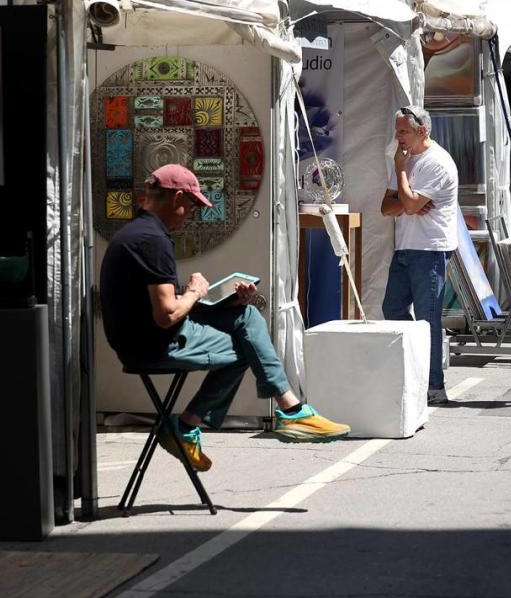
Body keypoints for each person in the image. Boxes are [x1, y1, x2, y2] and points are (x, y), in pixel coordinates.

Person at [99, 164, 350, 472]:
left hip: (141, 339)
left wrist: (222, 301)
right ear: (177, 197)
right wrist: (194, 291)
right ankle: (283, 410)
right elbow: (166, 316)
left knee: (244, 316)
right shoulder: (152, 241)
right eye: (190, 206)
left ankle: (278, 411)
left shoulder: (137, 233)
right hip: (154, 346)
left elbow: (159, 309)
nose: (189, 214)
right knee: (247, 343)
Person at [380, 106, 459, 406]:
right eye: (397, 130)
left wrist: (403, 182)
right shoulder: (404, 157)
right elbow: (387, 207)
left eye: (403, 131)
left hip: (430, 249)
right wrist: (407, 199)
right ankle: (415, 375)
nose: (398, 137)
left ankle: (434, 387)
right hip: (405, 246)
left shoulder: (436, 162)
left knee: (428, 319)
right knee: (393, 309)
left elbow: (409, 205)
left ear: (422, 131)